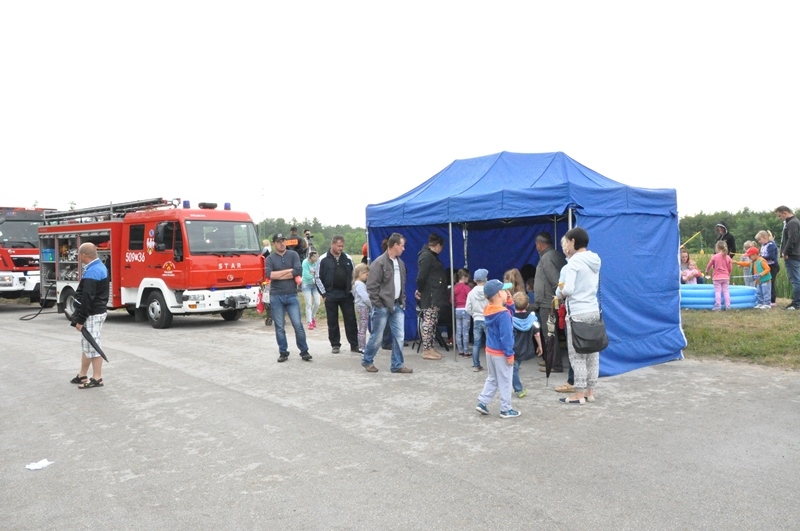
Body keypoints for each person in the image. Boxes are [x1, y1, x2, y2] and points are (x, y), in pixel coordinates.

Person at [558, 227, 601, 405]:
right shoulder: (595, 259)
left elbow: (568, 289)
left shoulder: (574, 261)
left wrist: (560, 292)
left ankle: (578, 394)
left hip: (577, 312)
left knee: (577, 355)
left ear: (573, 241)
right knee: (592, 354)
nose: (567, 245)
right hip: (593, 310)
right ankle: (590, 392)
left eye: (567, 242)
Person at [360, 232, 412, 374]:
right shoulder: (379, 263)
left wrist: (402, 301)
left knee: (399, 336)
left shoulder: (400, 263)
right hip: (382, 306)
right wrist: (378, 304)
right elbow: (371, 286)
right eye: (402, 246)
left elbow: (402, 284)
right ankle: (367, 360)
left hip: (397, 305)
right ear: (395, 245)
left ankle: (397, 365)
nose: (403, 249)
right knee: (377, 336)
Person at [475, 279, 520, 418]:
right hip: (501, 353)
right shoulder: (503, 314)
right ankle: (506, 409)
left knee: (492, 378)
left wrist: (509, 301)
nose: (507, 292)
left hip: (490, 351)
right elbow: (506, 336)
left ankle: (483, 402)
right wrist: (509, 354)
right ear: (499, 294)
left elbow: (509, 314)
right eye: (504, 290)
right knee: (505, 381)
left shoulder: (489, 309)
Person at [265, 233, 312, 362]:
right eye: (279, 241)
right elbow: (269, 275)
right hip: (276, 296)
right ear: (274, 243)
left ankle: (304, 351)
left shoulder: (293, 255)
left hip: (291, 295)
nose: (282, 244)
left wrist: (279, 274)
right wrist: (288, 272)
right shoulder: (270, 258)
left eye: (283, 241)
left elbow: (298, 271)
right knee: (279, 326)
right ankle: (283, 352)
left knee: (297, 324)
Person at [70, 243, 109, 389]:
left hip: (92, 314)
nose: (78, 258)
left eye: (79, 255)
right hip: (97, 311)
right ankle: (82, 375)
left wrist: (80, 319)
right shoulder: (99, 267)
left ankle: (97, 378)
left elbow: (88, 298)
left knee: (93, 345)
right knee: (87, 344)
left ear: (84, 255)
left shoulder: (93, 271)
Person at [315, 235, 359, 353]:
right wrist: (324, 294)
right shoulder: (323, 259)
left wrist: (352, 291)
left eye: (342, 246)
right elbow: (317, 277)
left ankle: (354, 344)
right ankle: (335, 344)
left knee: (351, 319)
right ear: (332, 244)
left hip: (346, 294)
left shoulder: (348, 258)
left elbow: (354, 275)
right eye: (339, 246)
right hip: (331, 294)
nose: (341, 248)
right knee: (332, 321)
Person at [532, 232, 567, 374]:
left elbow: (555, 281)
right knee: (551, 333)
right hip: (550, 302)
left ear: (540, 244)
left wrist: (557, 298)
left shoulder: (547, 258)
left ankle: (555, 364)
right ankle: (549, 359)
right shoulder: (556, 255)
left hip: (548, 303)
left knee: (550, 334)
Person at [415, 233, 448, 360]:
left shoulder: (430, 256)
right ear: (438, 245)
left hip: (435, 294)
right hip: (430, 295)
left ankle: (431, 347)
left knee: (433, 322)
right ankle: (426, 349)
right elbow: (421, 277)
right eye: (442, 247)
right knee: (429, 322)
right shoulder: (427, 256)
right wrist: (420, 290)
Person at [511, 291, 542, 399]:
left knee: (513, 369)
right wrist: (540, 346)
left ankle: (518, 389)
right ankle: (516, 386)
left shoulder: (510, 318)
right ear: (528, 304)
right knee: (514, 368)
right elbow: (537, 333)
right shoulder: (532, 318)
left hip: (512, 348)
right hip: (525, 347)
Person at [776, 206, 800, 310]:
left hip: (792, 255)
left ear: (785, 213)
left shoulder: (792, 223)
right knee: (796, 279)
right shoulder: (793, 222)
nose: (779, 218)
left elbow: (792, 239)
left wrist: (786, 252)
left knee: (795, 280)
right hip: (794, 254)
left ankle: (796, 303)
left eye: (779, 216)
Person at [465, 268, 489, 371]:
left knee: (476, 343)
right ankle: (491, 365)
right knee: (490, 343)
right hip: (488, 319)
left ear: (474, 280)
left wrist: (474, 315)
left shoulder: (471, 293)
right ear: (486, 279)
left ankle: (476, 365)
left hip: (476, 320)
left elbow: (467, 308)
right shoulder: (489, 292)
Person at [705, 240, 732, 311]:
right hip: (725, 277)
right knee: (726, 291)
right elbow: (730, 268)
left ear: (717, 248)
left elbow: (709, 265)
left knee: (718, 291)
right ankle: (728, 305)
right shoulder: (728, 257)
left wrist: (707, 271)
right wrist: (728, 274)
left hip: (717, 277)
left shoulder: (715, 257)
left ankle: (718, 306)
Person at [756, 230, 780, 305]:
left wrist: (761, 257)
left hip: (773, 266)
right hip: (766, 266)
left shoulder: (771, 245)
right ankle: (765, 298)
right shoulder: (763, 246)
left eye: (760, 239)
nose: (759, 241)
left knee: (770, 282)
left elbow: (771, 256)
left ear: (765, 237)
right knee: (765, 282)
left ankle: (772, 300)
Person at [453, 268, 472, 357]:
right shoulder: (466, 288)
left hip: (457, 310)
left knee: (458, 331)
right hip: (465, 309)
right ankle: (466, 351)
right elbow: (471, 298)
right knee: (466, 331)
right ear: (464, 277)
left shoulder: (455, 287)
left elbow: (451, 299)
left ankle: (460, 350)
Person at [352, 263, 371, 352]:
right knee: (363, 327)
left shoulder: (356, 284)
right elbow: (365, 298)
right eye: (366, 274)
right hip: (363, 307)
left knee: (362, 327)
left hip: (360, 307)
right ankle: (362, 347)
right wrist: (371, 305)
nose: (367, 276)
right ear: (361, 274)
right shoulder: (360, 285)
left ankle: (361, 345)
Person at [301, 250, 321, 329]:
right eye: (315, 256)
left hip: (315, 285)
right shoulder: (305, 263)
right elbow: (306, 275)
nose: (317, 258)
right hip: (306, 284)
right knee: (309, 304)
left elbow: (319, 273)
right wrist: (314, 275)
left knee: (317, 303)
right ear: (311, 257)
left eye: (318, 256)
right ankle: (309, 322)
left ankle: (312, 317)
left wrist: (314, 274)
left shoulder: (317, 262)